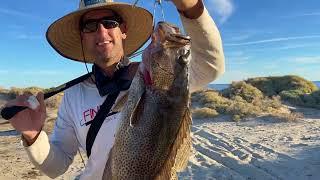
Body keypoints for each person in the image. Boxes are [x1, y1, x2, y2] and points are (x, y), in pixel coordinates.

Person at [4, 0, 225, 179]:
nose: (101, 32)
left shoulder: (167, 85)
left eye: (110, 23)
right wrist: (33, 137)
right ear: (83, 36)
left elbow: (210, 66)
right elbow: (56, 167)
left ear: (124, 30)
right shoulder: (73, 96)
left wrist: (191, 6)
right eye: (90, 27)